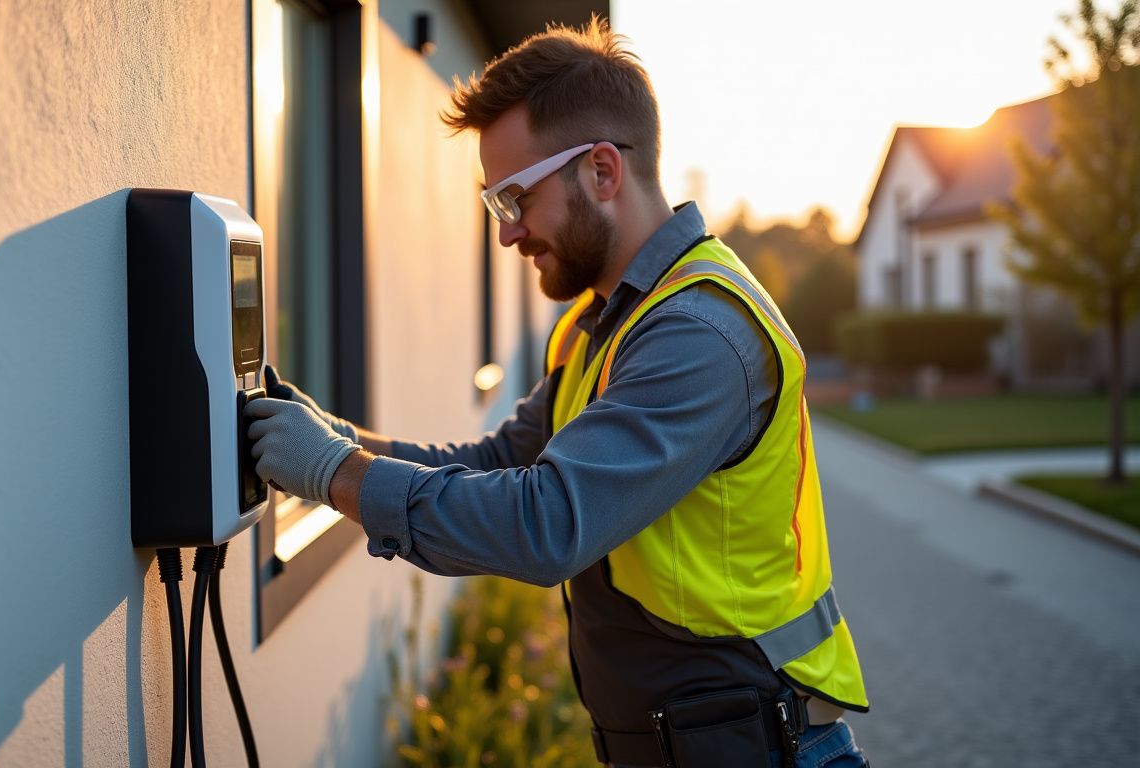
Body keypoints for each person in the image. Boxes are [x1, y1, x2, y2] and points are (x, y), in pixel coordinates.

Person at [245, 19, 869, 768]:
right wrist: (340, 441)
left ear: (603, 171)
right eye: (496, 205)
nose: (506, 234)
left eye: (515, 198)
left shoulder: (700, 334)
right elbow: (496, 460)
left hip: (767, 750)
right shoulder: (602, 324)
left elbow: (549, 525)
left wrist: (334, 474)